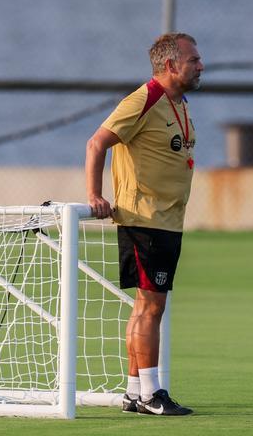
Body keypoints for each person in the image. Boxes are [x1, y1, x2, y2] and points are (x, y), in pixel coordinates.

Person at [85, 32, 203, 416]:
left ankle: (135, 392)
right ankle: (153, 394)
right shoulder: (144, 99)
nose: (201, 66)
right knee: (152, 307)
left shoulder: (178, 102)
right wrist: (94, 195)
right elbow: (97, 143)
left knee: (145, 306)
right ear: (170, 65)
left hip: (167, 220)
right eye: (193, 60)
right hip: (145, 219)